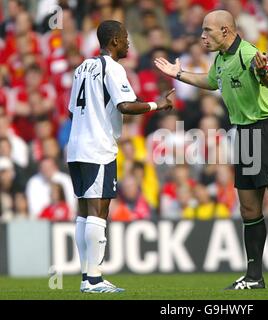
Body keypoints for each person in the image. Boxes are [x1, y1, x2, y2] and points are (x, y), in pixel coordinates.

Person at [155, 10, 268, 290]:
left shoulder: (248, 53)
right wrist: (179, 74)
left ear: (225, 31)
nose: (202, 36)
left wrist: (262, 71)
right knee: (248, 208)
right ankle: (254, 277)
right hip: (243, 134)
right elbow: (210, 81)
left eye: (207, 31)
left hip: (265, 130)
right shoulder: (221, 59)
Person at [67, 20, 174, 294]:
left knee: (83, 211)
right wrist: (157, 104)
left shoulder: (82, 67)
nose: (129, 43)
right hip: (98, 147)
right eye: (126, 38)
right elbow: (125, 104)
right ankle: (94, 279)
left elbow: (71, 110)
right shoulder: (112, 68)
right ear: (114, 41)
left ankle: (85, 277)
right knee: (99, 211)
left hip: (76, 146)